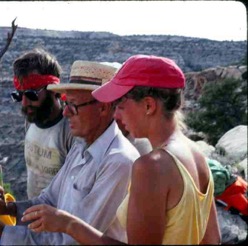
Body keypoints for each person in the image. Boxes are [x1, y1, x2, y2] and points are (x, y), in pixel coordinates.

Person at [22, 55, 221, 245]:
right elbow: (212, 239)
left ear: (149, 106)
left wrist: (69, 224)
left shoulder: (151, 166)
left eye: (121, 104)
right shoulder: (196, 155)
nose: (116, 113)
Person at [0, 60, 140, 245]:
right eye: (65, 103)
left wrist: (1, 231)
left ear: (103, 107)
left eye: (74, 105)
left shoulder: (118, 162)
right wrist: (9, 208)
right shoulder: (80, 147)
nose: (66, 113)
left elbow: (73, 240)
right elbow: (49, 200)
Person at [11, 48, 74, 199]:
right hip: (32, 212)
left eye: (32, 94)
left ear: (53, 90)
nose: (25, 103)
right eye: (20, 95)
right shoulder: (32, 119)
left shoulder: (70, 131)